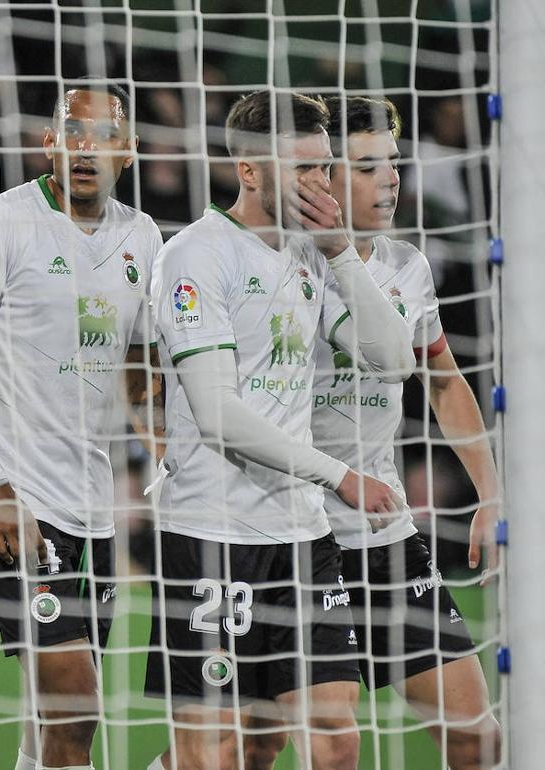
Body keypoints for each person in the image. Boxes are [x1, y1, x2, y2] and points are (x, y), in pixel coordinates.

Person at [143, 90, 416, 770]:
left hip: (302, 539)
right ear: (251, 171)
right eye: (302, 170)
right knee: (220, 754)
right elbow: (217, 415)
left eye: (324, 167)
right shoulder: (196, 257)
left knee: (335, 740)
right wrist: (340, 477)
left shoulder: (313, 255)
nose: (320, 184)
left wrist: (341, 252)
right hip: (212, 536)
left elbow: (394, 360)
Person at [0, 79, 163, 770]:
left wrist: (167, 458)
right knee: (77, 703)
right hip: (10, 496)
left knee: (55, 725)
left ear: (128, 149)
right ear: (48, 142)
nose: (85, 149)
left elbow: (140, 371)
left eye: (102, 136)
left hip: (92, 507)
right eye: (71, 130)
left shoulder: (143, 237)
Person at [303, 94, 499, 769]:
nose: (389, 178)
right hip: (294, 539)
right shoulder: (276, 266)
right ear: (322, 175)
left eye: (392, 162)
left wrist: (490, 494)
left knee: (477, 740)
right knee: (323, 751)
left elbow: (443, 379)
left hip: (385, 536)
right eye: (366, 166)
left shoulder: (405, 268)